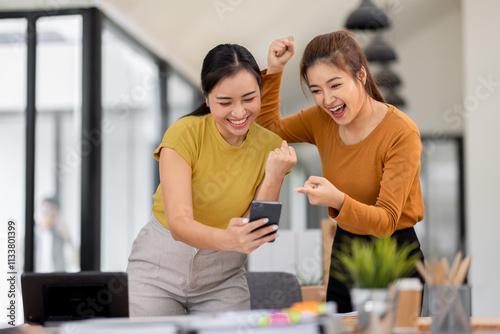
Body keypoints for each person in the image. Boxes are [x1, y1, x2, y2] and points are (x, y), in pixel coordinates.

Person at [258, 30, 425, 313]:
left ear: (361, 76)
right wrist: (275, 70)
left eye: (335, 85)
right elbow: (269, 129)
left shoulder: (401, 132)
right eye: (316, 91)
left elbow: (386, 221)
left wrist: (337, 200)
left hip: (394, 252)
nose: (327, 100)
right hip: (346, 249)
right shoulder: (320, 120)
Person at [126, 43, 297, 316]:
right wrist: (229, 239)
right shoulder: (184, 134)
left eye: (249, 99)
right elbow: (180, 225)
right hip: (158, 270)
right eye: (225, 102)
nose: (239, 113)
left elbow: (258, 229)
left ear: (261, 93)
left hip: (223, 279)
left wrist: (274, 175)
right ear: (206, 98)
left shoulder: (271, 146)